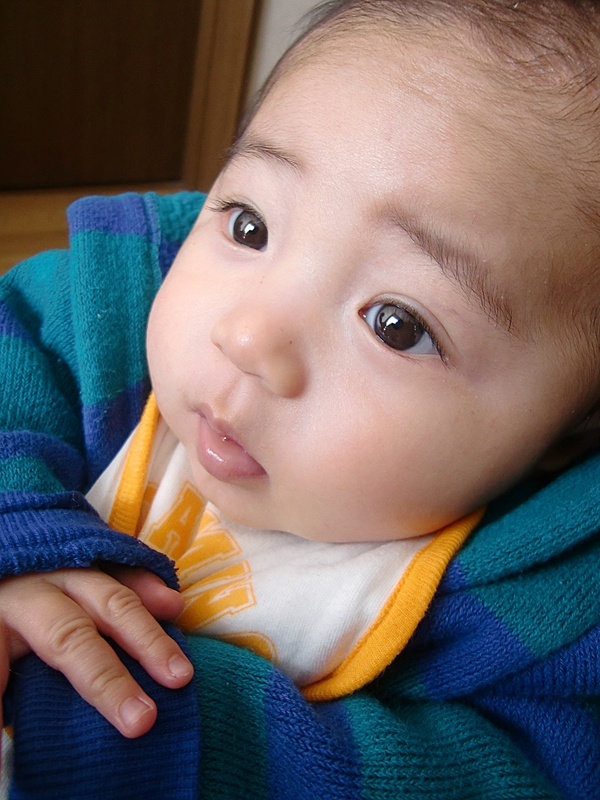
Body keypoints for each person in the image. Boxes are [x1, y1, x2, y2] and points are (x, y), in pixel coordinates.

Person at [1, 0, 600, 796]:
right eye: (250, 226)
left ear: (568, 432)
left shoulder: (550, 610)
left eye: (396, 325)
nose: (249, 337)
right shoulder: (100, 313)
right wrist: (17, 531)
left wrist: (135, 736)